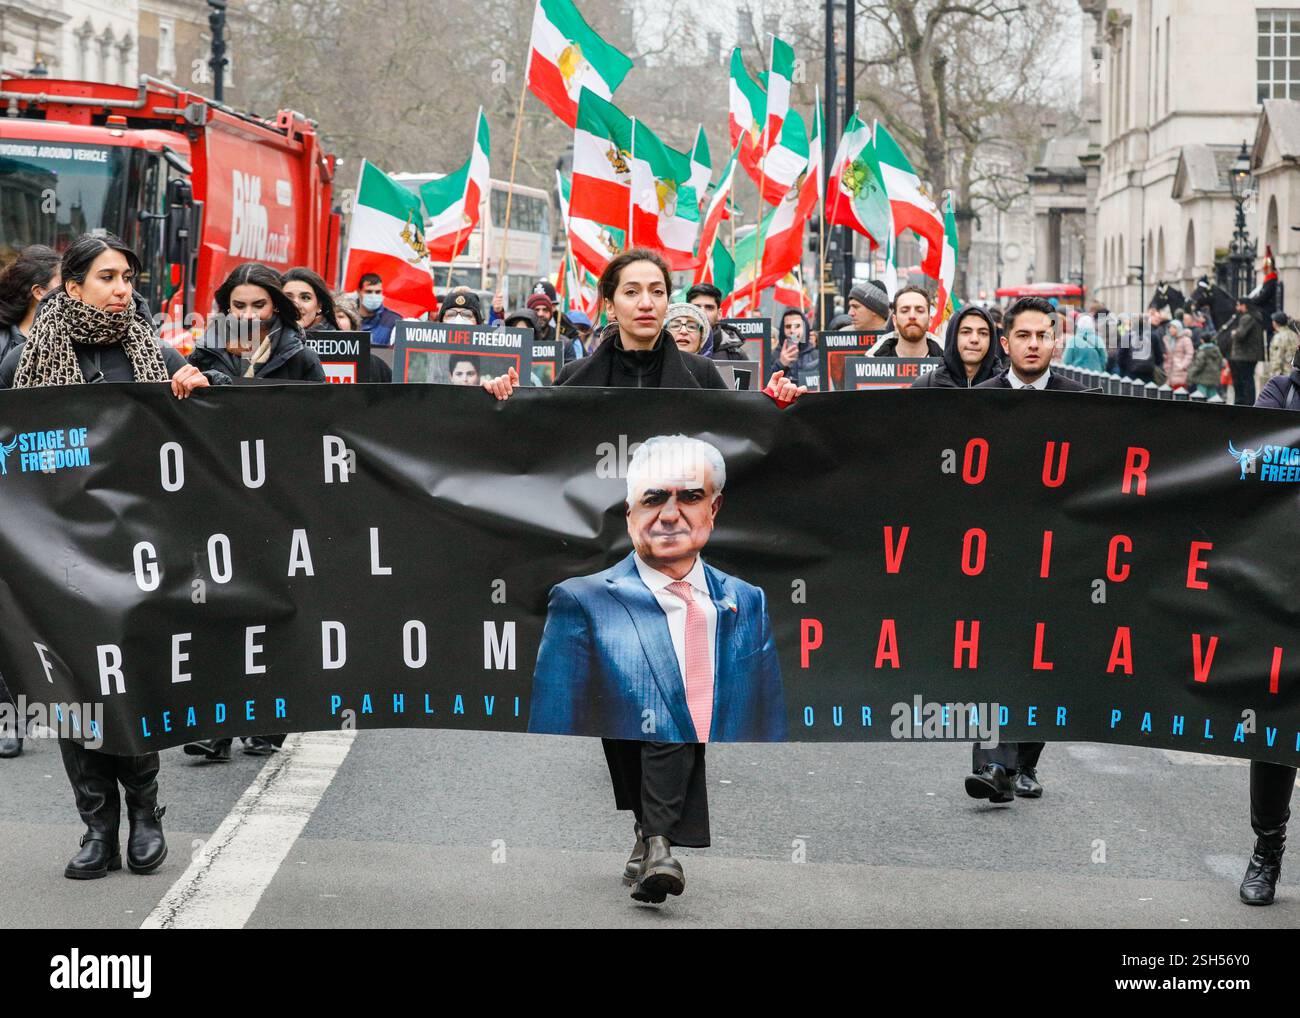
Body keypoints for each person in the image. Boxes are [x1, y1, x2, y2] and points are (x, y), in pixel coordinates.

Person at [481, 248, 803, 905]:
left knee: (679, 696)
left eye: (658, 290)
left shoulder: (701, 379)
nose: (648, 302)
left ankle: (659, 841)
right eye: (633, 291)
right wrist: (502, 404)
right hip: (604, 572)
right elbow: (529, 452)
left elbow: (752, 442)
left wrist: (781, 404)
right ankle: (645, 825)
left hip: (685, 573)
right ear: (611, 303)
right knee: (622, 704)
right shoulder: (575, 379)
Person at [0, 233, 214, 879]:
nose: (123, 288)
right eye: (108, 276)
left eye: (129, 277)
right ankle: (97, 827)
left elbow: (224, 432)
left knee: (131, 689)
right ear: (72, 286)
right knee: (73, 695)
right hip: (54, 559)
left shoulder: (157, 356)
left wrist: (199, 390)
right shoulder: (22, 364)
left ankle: (145, 814)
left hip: (139, 557)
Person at [528, 434, 787, 740]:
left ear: (714, 508)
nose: (669, 515)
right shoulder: (581, 603)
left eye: (690, 497)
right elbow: (551, 744)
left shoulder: (748, 601)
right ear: (629, 513)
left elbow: (772, 739)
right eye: (653, 499)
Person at [966, 296, 1085, 804]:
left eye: (1042, 335)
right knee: (994, 655)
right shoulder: (980, 400)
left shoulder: (1083, 400)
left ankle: (1025, 763)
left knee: (1041, 655)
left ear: (1055, 340)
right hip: (994, 551)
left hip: (1059, 552)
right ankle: (994, 766)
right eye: (1023, 336)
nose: (1033, 344)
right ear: (1006, 341)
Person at [1239, 359, 1300, 904]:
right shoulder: (1279, 393)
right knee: (1277, 728)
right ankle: (1268, 849)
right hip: (1285, 588)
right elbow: (1256, 466)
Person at [188, 263, 327, 383]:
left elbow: (318, 410)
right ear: (228, 307)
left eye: (259, 305)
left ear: (275, 305)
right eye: (239, 306)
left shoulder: (302, 358)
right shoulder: (204, 353)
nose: (248, 315)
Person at [910, 305, 999, 388]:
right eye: (966, 332)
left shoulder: (1006, 386)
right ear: (953, 336)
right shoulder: (925, 385)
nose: (974, 339)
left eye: (983, 333)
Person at [0, 244, 61, 363]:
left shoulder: (72, 338)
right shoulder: (3, 346)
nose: (70, 289)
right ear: (39, 292)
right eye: (61, 282)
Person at [332, 294, 393, 383]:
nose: (335, 321)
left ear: (352, 324)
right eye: (330, 317)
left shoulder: (373, 364)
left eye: (340, 316)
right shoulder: (312, 361)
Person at [871, 286, 942, 357]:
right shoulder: (872, 363)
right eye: (904, 311)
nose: (912, 316)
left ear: (930, 320)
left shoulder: (948, 363)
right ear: (894, 320)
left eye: (920, 311)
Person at [1220, 298, 1264, 405]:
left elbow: (1240, 334)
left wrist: (1234, 332)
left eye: (1238, 305)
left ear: (1244, 306)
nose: (1237, 308)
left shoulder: (1247, 317)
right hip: (1250, 355)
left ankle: (1246, 403)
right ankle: (1247, 402)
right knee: (1248, 379)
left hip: (1244, 355)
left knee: (1245, 380)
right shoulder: (1255, 316)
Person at [685, 282, 746, 360]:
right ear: (686, 311)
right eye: (696, 307)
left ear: (719, 314)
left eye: (709, 307)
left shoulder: (735, 356)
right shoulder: (672, 350)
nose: (702, 312)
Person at [282, 267, 338, 332]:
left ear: (319, 305)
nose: (296, 305)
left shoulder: (339, 340)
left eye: (305, 298)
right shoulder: (270, 336)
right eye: (288, 297)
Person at [775, 307, 818, 386]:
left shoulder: (815, 355)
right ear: (782, 330)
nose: (792, 330)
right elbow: (765, 385)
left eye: (797, 326)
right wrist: (780, 364)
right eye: (788, 326)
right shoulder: (774, 355)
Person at [357, 272, 403, 347]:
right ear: (359, 292)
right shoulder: (348, 318)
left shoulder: (394, 321)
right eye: (369, 291)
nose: (373, 296)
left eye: (378, 292)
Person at [1187, 325, 1226, 398]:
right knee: (1213, 398)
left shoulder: (1202, 351)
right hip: (1214, 378)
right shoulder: (1216, 350)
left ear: (1202, 340)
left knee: (1201, 397)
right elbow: (1221, 363)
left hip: (1202, 379)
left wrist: (1190, 375)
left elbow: (1198, 365)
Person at [1162, 320, 1195, 390]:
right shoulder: (1167, 339)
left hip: (1180, 372)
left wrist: (1182, 365)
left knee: (1179, 392)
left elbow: (1190, 354)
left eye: (1174, 327)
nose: (1171, 329)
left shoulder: (1185, 340)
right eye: (1170, 327)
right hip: (1168, 371)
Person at [1267, 311, 1299, 381]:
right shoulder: (1294, 335)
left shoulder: (1278, 337)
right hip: (1296, 374)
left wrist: (1274, 379)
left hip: (1284, 376)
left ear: (1275, 323)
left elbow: (1276, 360)